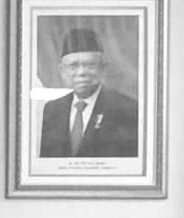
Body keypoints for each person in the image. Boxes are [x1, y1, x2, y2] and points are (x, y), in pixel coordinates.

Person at [37, 27, 139, 158]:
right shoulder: (52, 110)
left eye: (90, 65)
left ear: (102, 69)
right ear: (62, 71)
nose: (81, 73)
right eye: (73, 66)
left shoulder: (126, 109)